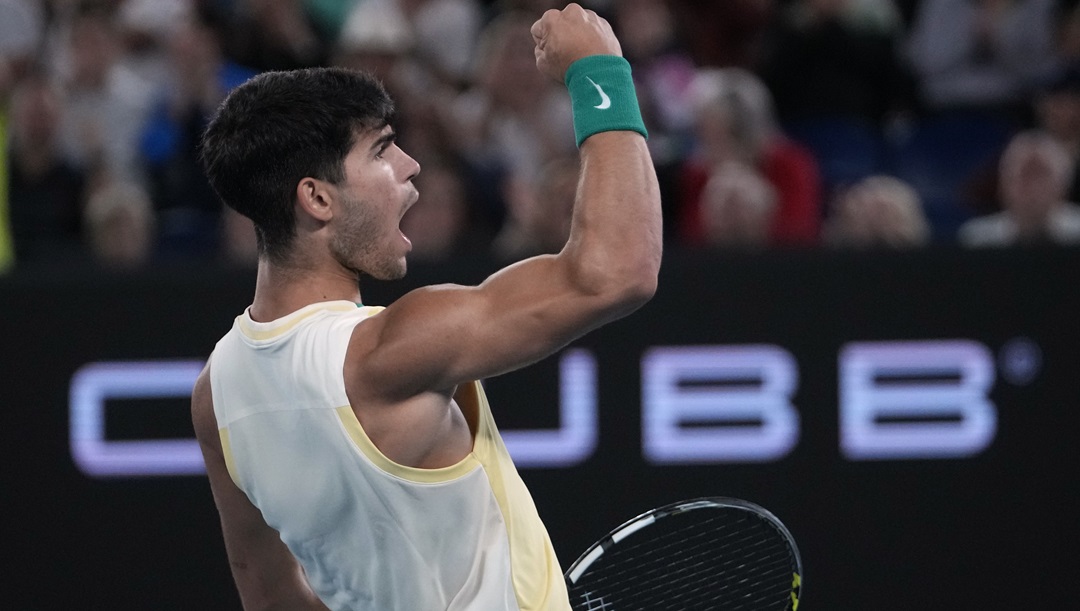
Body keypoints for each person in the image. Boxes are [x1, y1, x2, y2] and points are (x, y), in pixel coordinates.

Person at [190, 4, 660, 610]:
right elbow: (617, 272)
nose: (410, 166)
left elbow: (270, 593)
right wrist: (599, 70)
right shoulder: (393, 349)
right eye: (381, 151)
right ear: (317, 198)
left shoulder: (217, 392)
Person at [958, 129, 1080, 246]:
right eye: (1025, 175)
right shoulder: (978, 239)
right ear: (1003, 187)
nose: (1033, 187)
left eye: (1041, 175)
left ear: (1063, 186)